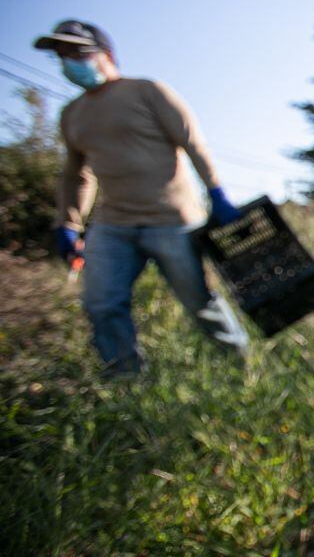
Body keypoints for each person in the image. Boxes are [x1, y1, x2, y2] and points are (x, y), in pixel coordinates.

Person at [35, 19, 250, 376]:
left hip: (172, 221)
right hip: (113, 225)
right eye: (61, 56)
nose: (68, 62)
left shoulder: (147, 91)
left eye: (76, 52)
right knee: (102, 303)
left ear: (104, 54)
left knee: (199, 301)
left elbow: (192, 141)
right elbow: (77, 175)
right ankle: (126, 379)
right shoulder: (72, 115)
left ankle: (239, 364)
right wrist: (68, 224)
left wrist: (217, 193)